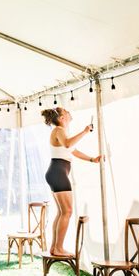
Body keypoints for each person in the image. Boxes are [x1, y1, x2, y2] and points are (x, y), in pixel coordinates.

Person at [42, 107, 102, 256]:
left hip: (57, 172)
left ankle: (55, 247)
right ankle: (58, 248)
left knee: (62, 212)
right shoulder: (59, 131)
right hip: (58, 172)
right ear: (62, 118)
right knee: (67, 212)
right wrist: (85, 131)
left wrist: (92, 159)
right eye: (67, 112)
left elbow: (72, 150)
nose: (70, 113)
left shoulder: (62, 132)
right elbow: (68, 144)